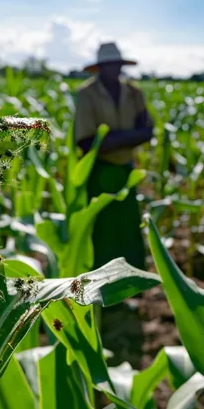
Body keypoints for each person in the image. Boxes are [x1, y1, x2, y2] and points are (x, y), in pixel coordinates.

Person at [73, 42, 153, 271]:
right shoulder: (86, 94)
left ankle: (130, 281)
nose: (112, 69)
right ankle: (102, 287)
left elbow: (148, 131)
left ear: (121, 65)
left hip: (126, 170)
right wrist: (131, 136)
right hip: (98, 172)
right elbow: (87, 143)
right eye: (107, 65)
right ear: (99, 68)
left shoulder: (134, 92)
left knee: (128, 226)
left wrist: (110, 139)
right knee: (103, 231)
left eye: (116, 64)